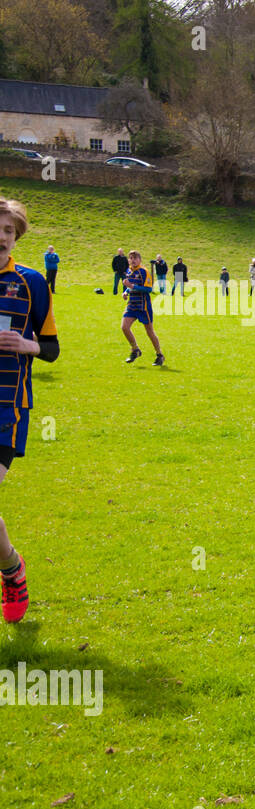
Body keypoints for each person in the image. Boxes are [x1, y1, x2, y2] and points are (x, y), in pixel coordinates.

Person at [0, 196, 61, 624]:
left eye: (8, 231)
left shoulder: (31, 282)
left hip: (6, 407)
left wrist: (28, 345)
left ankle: (11, 573)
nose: (2, 237)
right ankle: (10, 567)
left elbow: (53, 349)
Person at [121, 250, 163, 366]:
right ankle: (135, 349)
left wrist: (132, 286)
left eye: (135, 258)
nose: (133, 260)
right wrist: (126, 292)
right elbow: (130, 286)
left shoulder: (144, 272)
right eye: (131, 258)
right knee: (124, 327)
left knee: (149, 332)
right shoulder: (129, 271)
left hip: (143, 306)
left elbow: (149, 289)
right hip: (132, 305)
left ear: (140, 260)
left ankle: (159, 355)